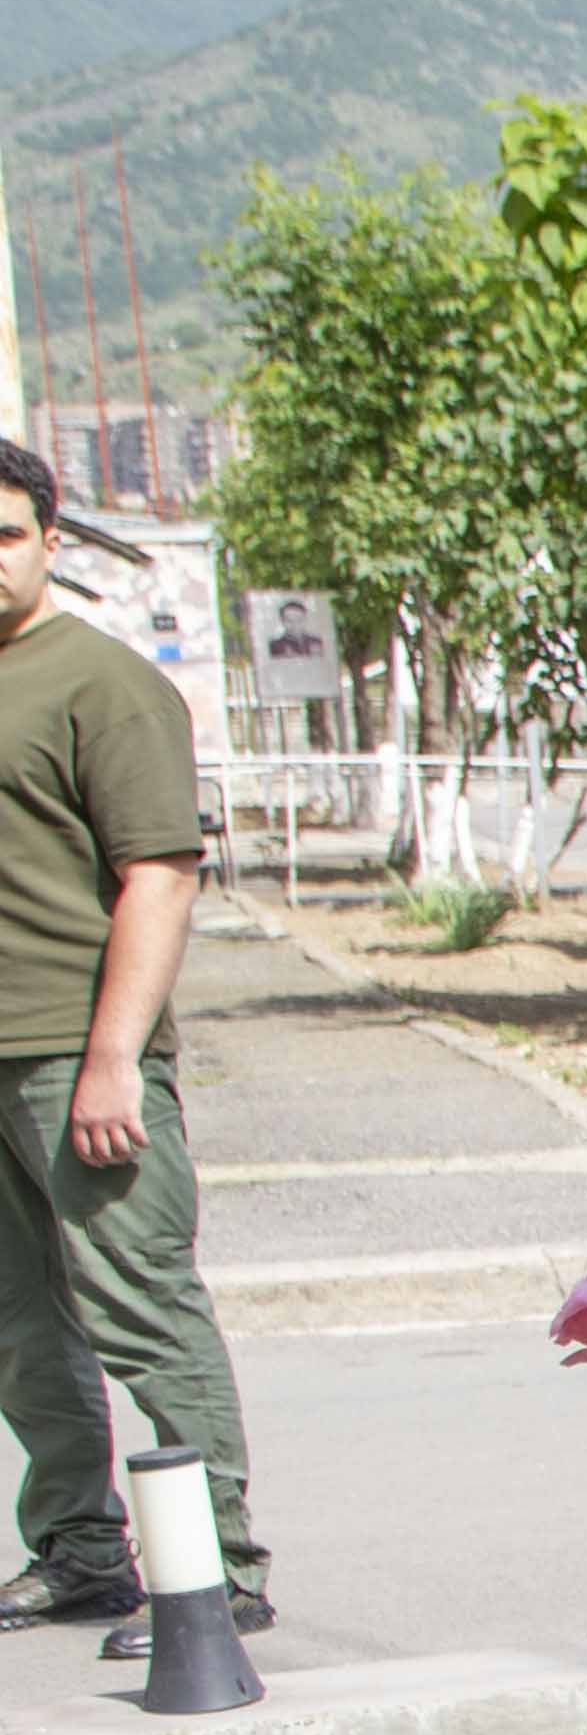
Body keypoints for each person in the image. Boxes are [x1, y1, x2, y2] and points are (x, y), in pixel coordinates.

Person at [0, 442, 267, 1646]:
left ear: (50, 541)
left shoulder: (101, 685)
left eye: (7, 534)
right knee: (19, 1326)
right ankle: (79, 1551)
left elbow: (159, 876)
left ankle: (219, 1574)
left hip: (76, 1056)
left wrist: (114, 1058)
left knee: (141, 1312)